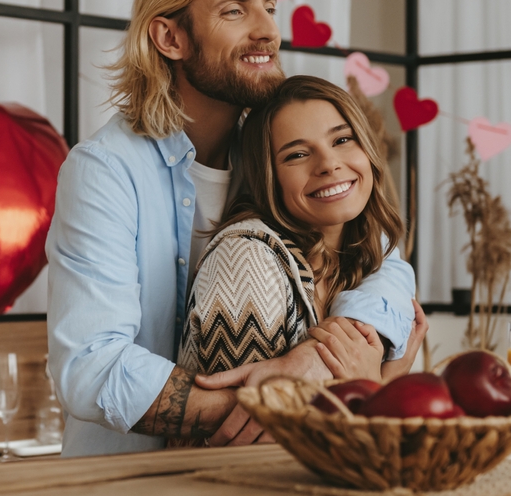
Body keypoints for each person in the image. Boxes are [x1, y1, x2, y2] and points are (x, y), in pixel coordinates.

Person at [46, 0, 417, 458]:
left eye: (268, 7)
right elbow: (90, 366)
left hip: (262, 482)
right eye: (235, 12)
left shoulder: (280, 155)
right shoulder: (104, 171)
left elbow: (385, 260)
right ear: (170, 38)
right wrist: (287, 396)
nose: (267, 31)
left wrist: (326, 357)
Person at [178, 75, 428, 385]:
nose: (328, 164)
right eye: (297, 155)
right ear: (269, 178)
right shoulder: (246, 260)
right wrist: (380, 385)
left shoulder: (367, 249)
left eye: (342, 139)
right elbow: (253, 427)